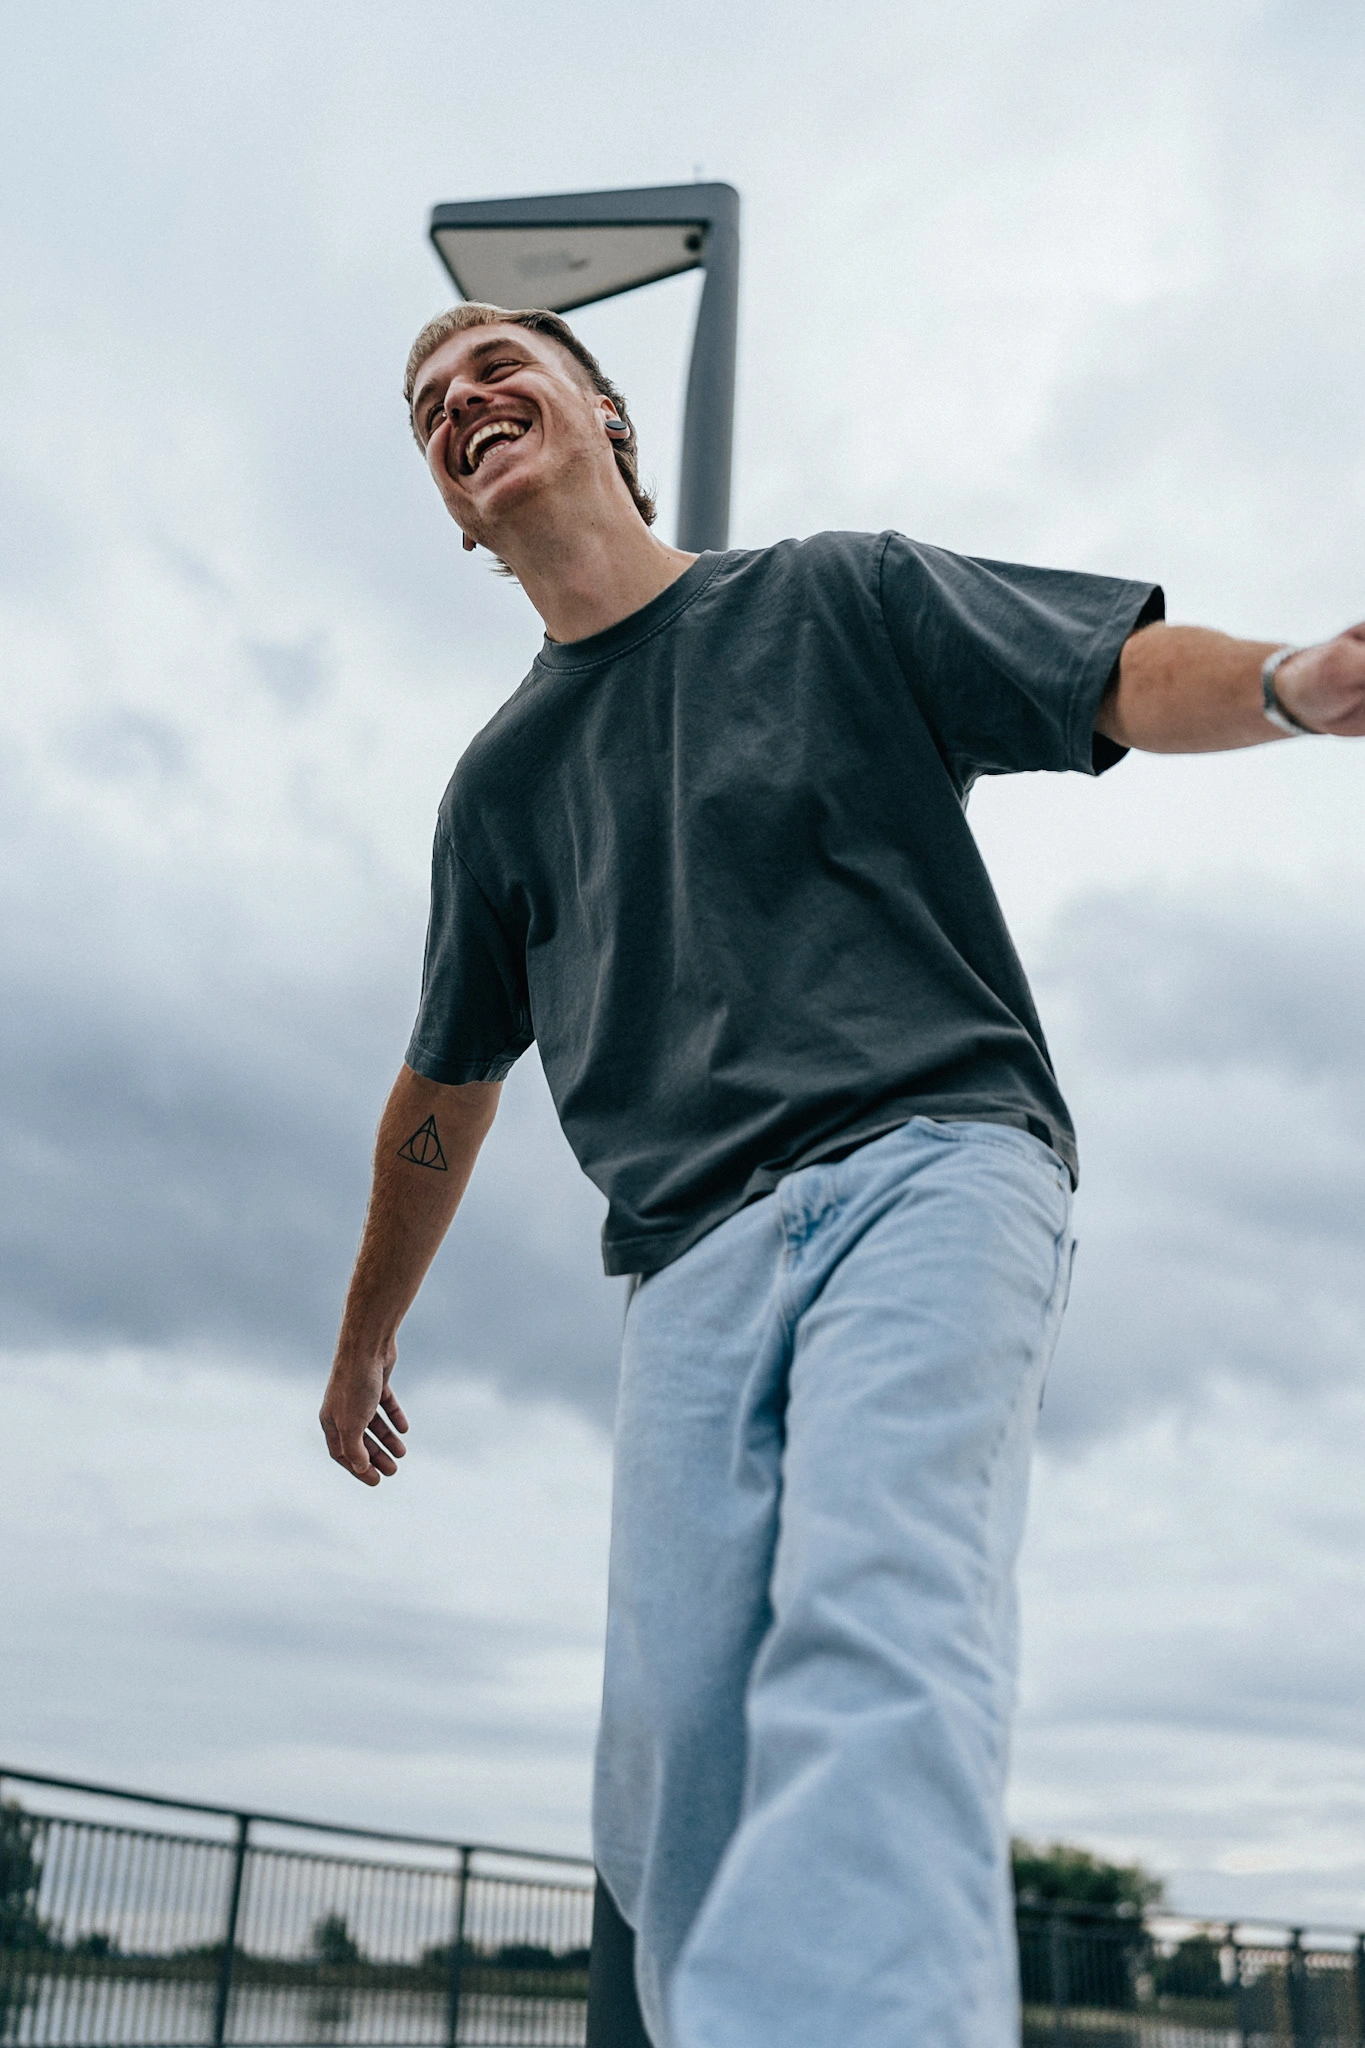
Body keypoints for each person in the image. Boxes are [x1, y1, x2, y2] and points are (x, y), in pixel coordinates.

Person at [319, 300, 1365, 2048]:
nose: (462, 403)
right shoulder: (500, 792)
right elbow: (442, 1090)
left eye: (498, 367)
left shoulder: (827, 596)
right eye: (428, 404)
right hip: (688, 1256)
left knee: (877, 1605)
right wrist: (364, 1338)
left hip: (934, 1165)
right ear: (452, 508)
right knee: (673, 1770)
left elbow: (1097, 670)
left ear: (602, 410)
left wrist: (1289, 686)